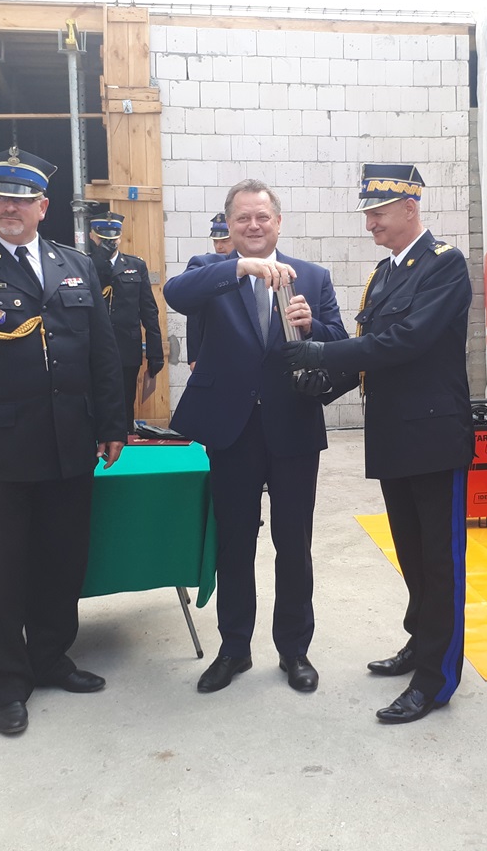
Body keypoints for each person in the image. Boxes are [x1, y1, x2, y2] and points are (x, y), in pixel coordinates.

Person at [0, 147, 125, 737]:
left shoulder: (74, 265)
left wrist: (112, 425)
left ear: (43, 206)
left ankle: (51, 657)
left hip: (69, 446)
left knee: (63, 560)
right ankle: (6, 681)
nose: (9, 208)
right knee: (1, 572)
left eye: (21, 199)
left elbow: (102, 353)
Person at [283, 163, 473, 724]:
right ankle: (421, 642)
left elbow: (406, 341)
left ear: (410, 208)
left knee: (439, 562)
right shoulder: (385, 274)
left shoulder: (445, 265)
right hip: (393, 436)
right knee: (411, 554)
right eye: (368, 214)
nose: (370, 224)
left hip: (434, 437)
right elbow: (373, 353)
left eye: (378, 213)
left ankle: (436, 679)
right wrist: (323, 386)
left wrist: (323, 353)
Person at [164, 179, 347, 695]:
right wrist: (240, 267)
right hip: (232, 430)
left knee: (294, 545)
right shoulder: (210, 271)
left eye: (262, 217)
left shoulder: (312, 276)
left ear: (278, 222)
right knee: (235, 544)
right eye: (242, 218)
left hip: (293, 428)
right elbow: (176, 294)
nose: (253, 225)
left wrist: (313, 327)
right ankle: (234, 648)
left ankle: (294, 650)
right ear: (229, 224)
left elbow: (339, 341)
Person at [89, 212, 164, 434]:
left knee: (124, 403)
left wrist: (155, 352)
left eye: (113, 239)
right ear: (93, 236)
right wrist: (100, 262)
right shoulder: (85, 265)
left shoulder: (135, 265)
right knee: (95, 401)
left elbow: (149, 311)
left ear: (120, 237)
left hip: (127, 347)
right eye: (103, 239)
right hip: (95, 348)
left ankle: (125, 443)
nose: (109, 243)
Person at [186, 213, 232, 368]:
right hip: (211, 348)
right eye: (215, 241)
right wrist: (194, 356)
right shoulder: (205, 268)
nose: (219, 246)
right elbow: (194, 316)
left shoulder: (251, 266)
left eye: (225, 241)